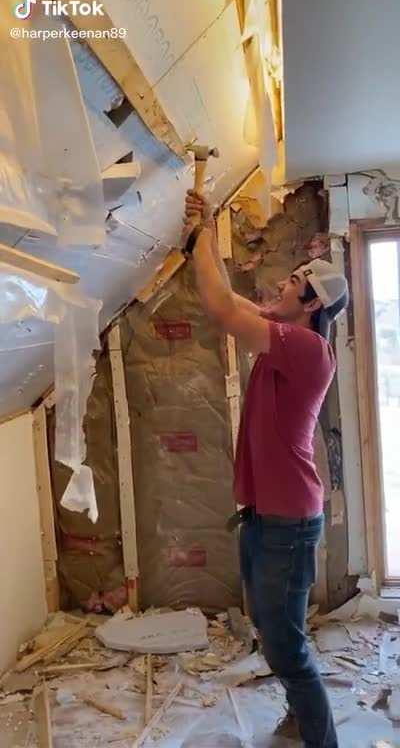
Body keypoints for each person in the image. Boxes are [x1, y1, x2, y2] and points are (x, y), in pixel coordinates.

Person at [182, 190, 349, 748]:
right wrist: (199, 239)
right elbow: (227, 297)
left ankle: (320, 739)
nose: (281, 282)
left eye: (294, 280)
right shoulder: (288, 336)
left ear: (310, 304)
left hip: (287, 522)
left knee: (287, 645)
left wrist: (200, 233)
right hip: (265, 517)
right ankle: (301, 719)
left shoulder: (304, 347)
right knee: (273, 631)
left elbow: (221, 311)